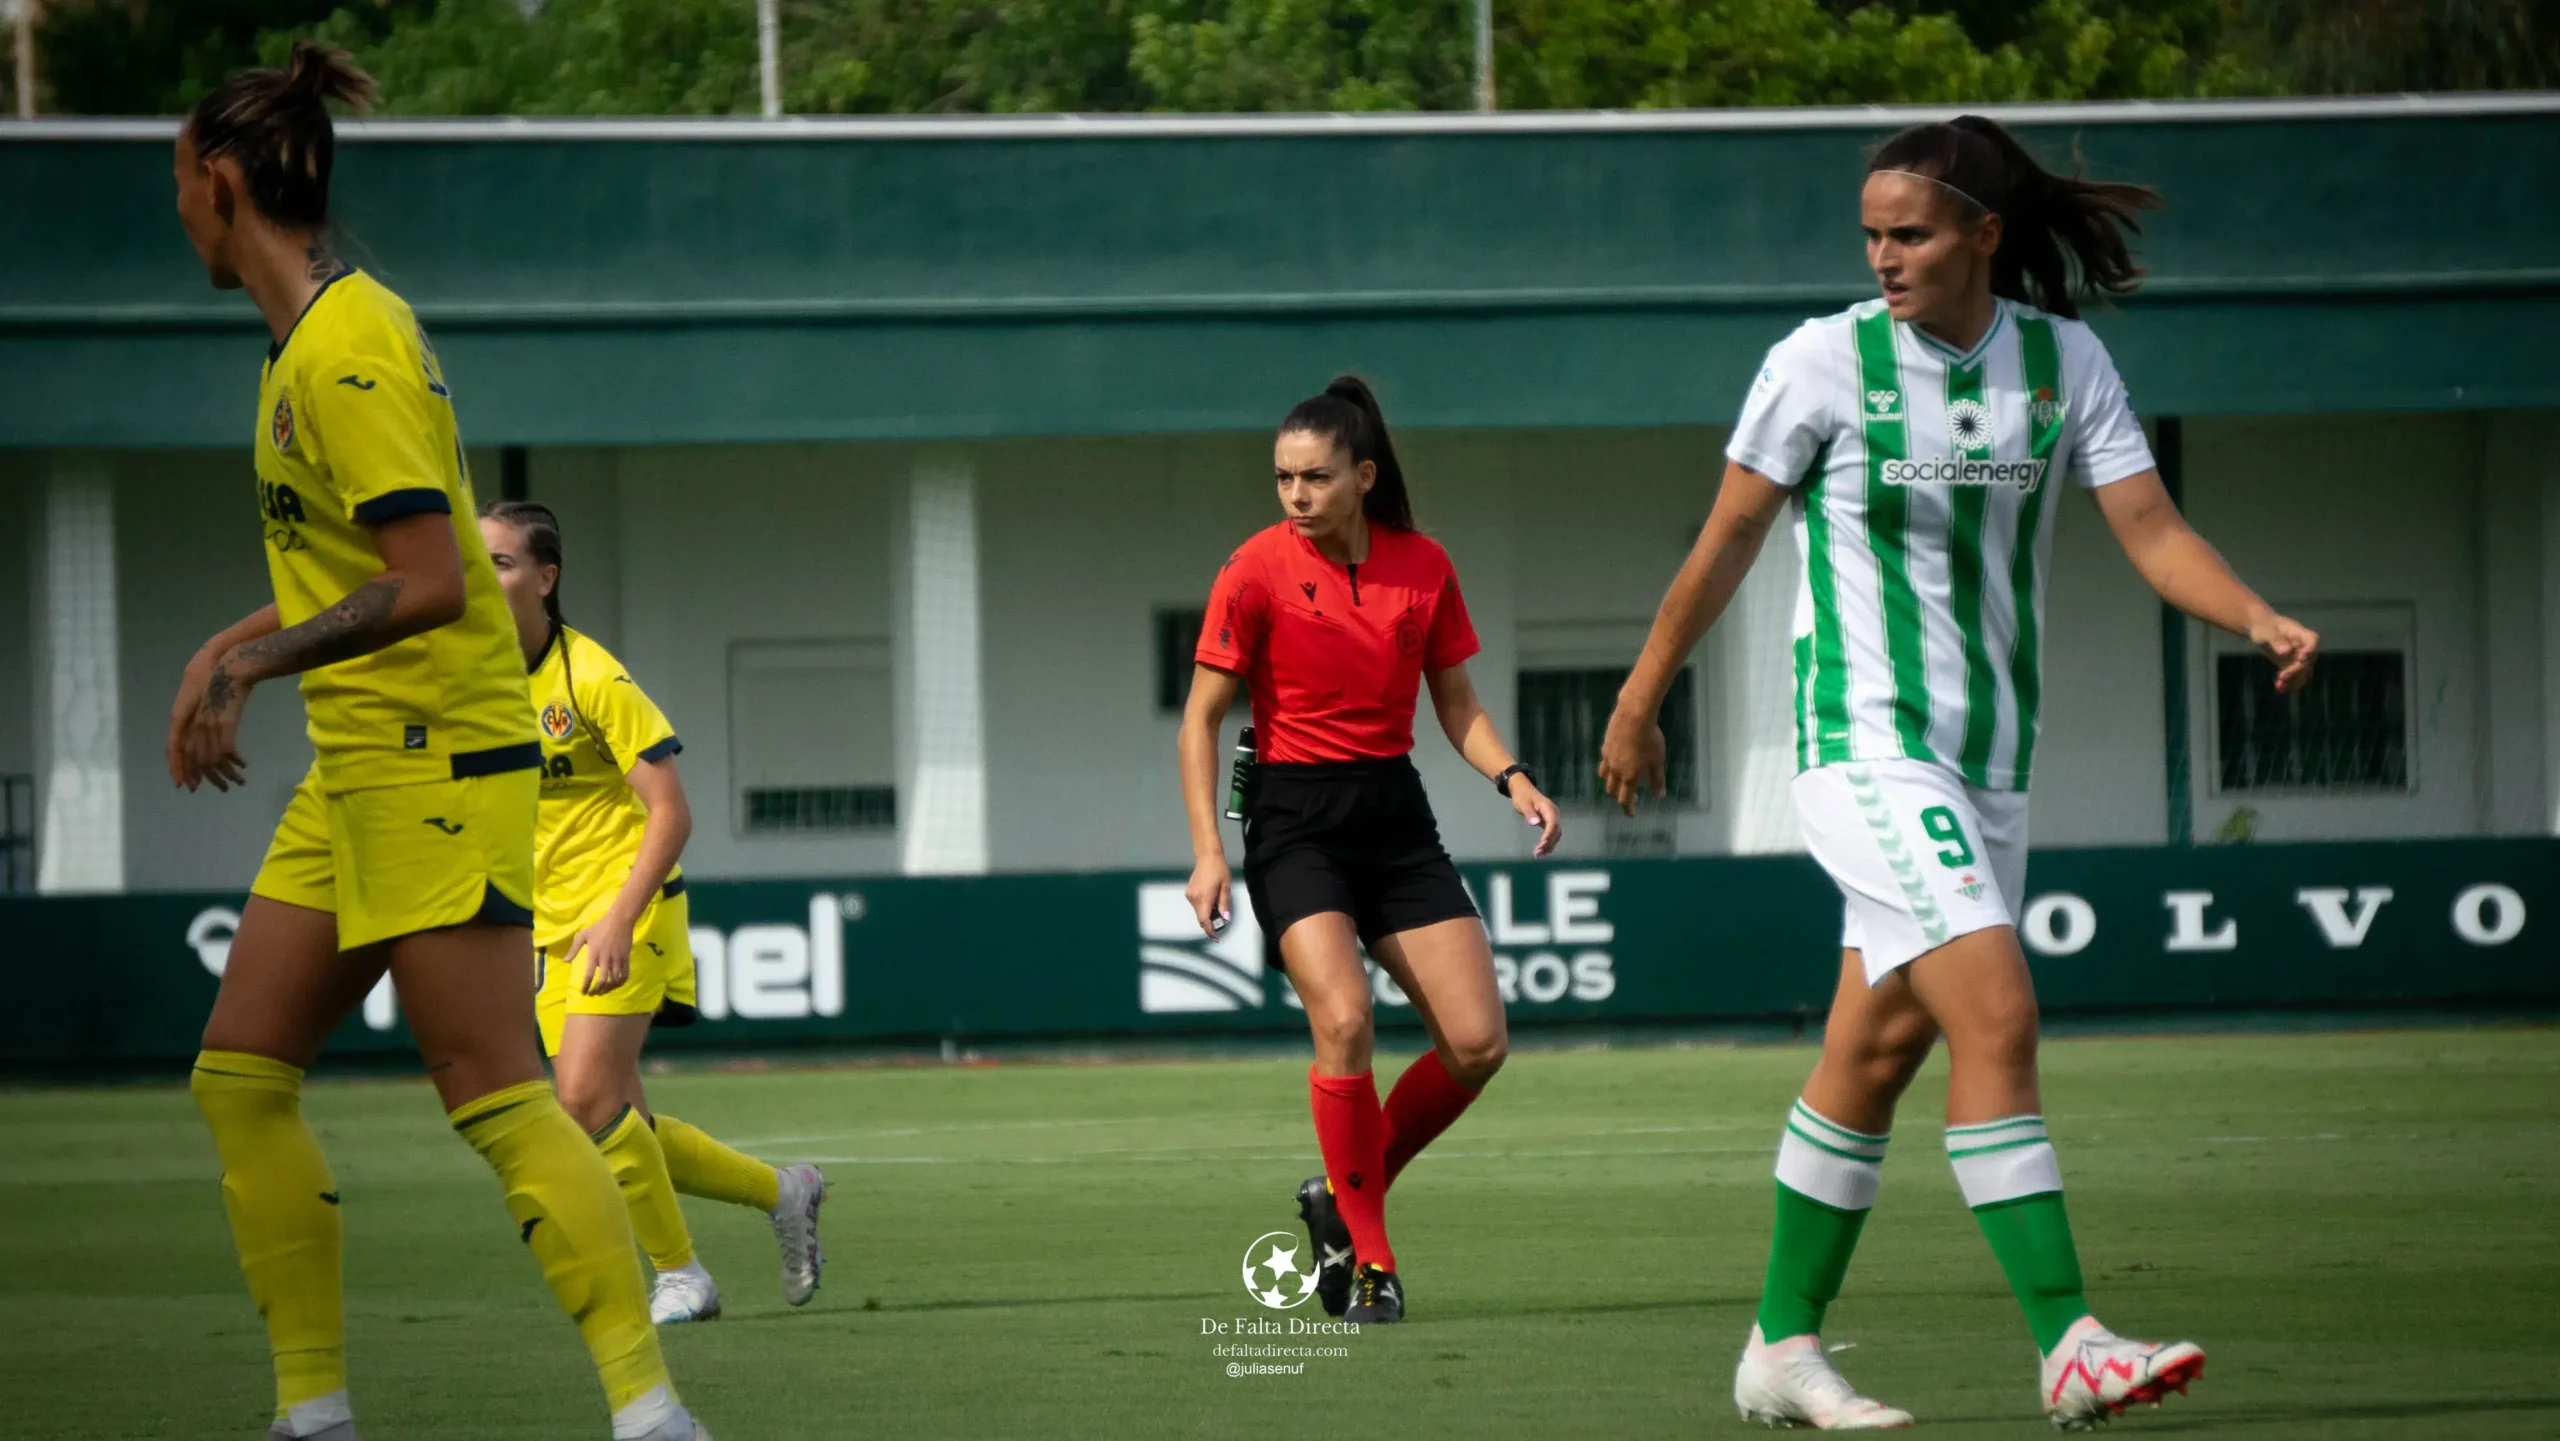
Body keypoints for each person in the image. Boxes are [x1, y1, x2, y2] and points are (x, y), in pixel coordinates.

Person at [1597, 116, 2319, 1431]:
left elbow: (2150, 530)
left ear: (1986, 234)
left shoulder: (2065, 360)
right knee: (1999, 1015)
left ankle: (1778, 1349)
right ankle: (2070, 1343)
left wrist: (2255, 614)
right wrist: (1643, 697)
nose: (1884, 255)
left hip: (1988, 768)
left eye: (1911, 232)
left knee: (1875, 1051)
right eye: (1871, 233)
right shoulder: (1821, 363)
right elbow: (1726, 540)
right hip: (1863, 744)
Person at [167, 44, 709, 1441]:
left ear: (220, 182)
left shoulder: (347, 348)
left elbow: (431, 580)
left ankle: (653, 1415)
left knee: (497, 1093)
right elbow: (351, 559)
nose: (175, 209)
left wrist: (256, 666)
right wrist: (230, 647)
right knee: (238, 1076)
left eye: (178, 181)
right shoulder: (309, 343)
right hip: (358, 768)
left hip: (433, 763)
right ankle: (314, 1410)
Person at [1178, 376, 1563, 1325]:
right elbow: (1201, 719)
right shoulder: (1254, 569)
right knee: (1345, 1020)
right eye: (1282, 478)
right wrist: (1207, 850)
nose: (1296, 495)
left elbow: (1458, 706)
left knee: (1477, 1044)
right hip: (1293, 817)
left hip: (1394, 813)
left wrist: (1513, 778)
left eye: (1314, 478)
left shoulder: (1424, 565)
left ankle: (1343, 1192)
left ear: (1362, 475)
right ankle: (1371, 1262)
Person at [477, 501, 828, 1325]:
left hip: (628, 911)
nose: (479, 576)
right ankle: (785, 1191)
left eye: (498, 562)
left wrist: (617, 915)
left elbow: (671, 812)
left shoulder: (591, 676)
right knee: (615, 1121)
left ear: (545, 578)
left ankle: (681, 1275)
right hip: (550, 925)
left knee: (584, 1102)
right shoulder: (475, 679)